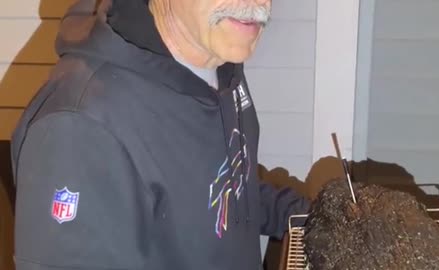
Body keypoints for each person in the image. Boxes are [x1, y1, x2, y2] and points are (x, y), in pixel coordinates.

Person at [10, 0, 310, 269]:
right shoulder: (81, 128)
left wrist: (306, 217)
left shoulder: (219, 64)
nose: (257, 3)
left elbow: (224, 188)